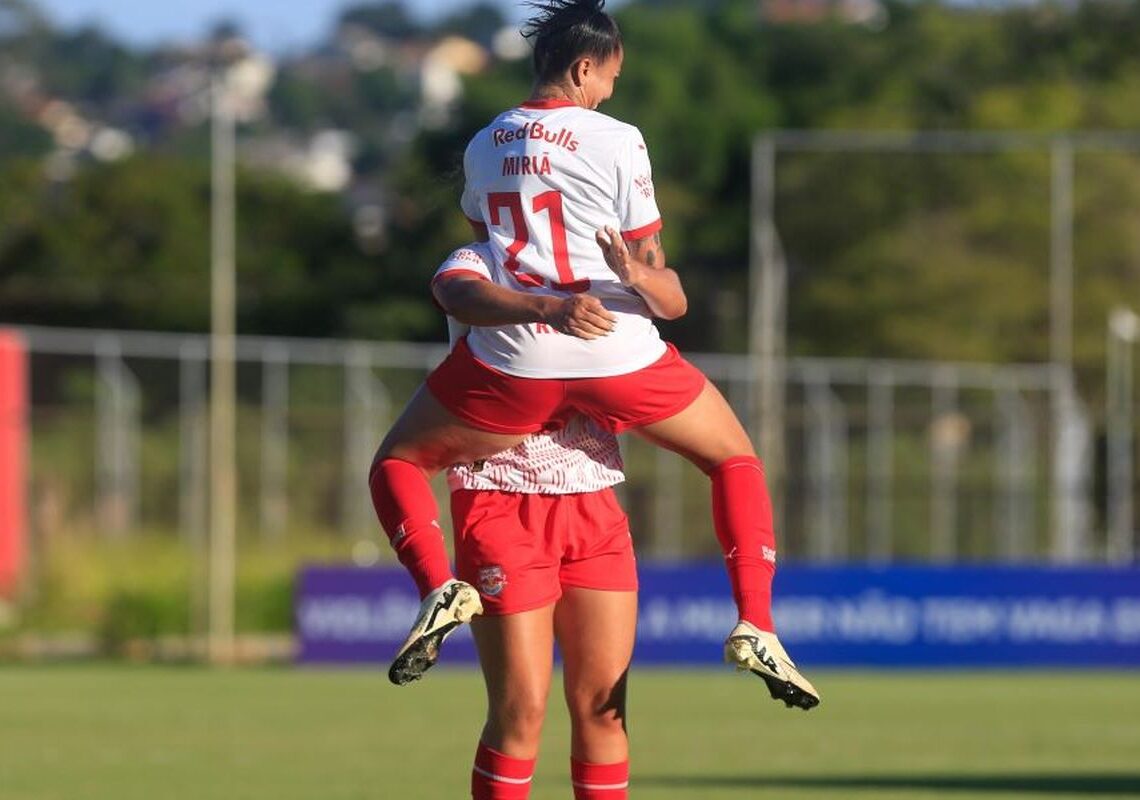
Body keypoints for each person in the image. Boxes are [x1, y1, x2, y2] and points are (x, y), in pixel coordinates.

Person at [369, 0, 818, 710]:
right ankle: (757, 621)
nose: (611, 88)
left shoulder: (485, 143)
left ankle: (435, 584)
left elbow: (481, 248)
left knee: (397, 462)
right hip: (612, 352)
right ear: (584, 68)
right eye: (610, 75)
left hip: (515, 365)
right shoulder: (617, 138)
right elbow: (656, 274)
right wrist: (636, 274)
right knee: (733, 458)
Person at [443, 242, 638, 800]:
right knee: (521, 711)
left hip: (593, 495)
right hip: (500, 495)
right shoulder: (478, 259)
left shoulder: (601, 263)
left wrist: (642, 275)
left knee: (605, 710)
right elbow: (454, 295)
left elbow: (668, 305)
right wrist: (549, 308)